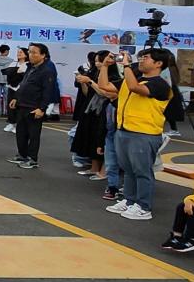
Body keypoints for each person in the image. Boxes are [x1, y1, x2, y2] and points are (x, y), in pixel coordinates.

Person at [106, 48, 174, 222]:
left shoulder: (160, 84)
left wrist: (127, 66)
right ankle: (130, 201)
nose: (141, 60)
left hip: (144, 133)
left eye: (146, 58)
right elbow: (104, 86)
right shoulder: (136, 79)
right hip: (125, 130)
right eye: (141, 57)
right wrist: (104, 67)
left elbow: (134, 87)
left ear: (159, 64)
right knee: (129, 170)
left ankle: (144, 206)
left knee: (142, 171)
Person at [6, 42, 59, 170]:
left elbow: (48, 91)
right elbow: (24, 84)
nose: (30, 55)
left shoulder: (48, 69)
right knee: (21, 132)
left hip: (34, 106)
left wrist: (42, 108)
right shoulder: (31, 67)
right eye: (29, 52)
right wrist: (16, 98)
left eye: (34, 52)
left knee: (33, 134)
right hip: (22, 104)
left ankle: (32, 159)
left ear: (43, 55)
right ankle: (22, 155)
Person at [71, 51, 119, 180]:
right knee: (92, 139)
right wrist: (83, 82)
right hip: (91, 109)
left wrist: (90, 81)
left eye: (99, 61)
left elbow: (106, 93)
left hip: (105, 110)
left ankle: (104, 171)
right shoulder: (94, 72)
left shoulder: (115, 76)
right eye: (96, 61)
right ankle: (94, 168)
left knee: (102, 141)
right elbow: (88, 93)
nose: (97, 64)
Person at [1, 47, 27, 132]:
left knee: (19, 108)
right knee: (10, 106)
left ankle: (18, 125)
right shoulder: (13, 63)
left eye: (21, 52)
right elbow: (7, 73)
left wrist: (16, 73)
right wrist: (16, 72)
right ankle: (11, 123)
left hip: (22, 90)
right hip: (11, 87)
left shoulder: (27, 65)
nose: (19, 54)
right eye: (18, 52)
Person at [0, 44, 13, 118]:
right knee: (6, 97)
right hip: (6, 80)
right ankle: (6, 111)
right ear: (6, 51)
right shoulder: (10, 60)